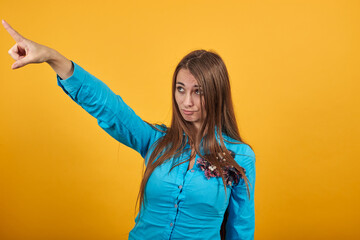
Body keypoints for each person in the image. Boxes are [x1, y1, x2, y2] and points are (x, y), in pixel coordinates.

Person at [2, 19, 256, 240]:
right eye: (180, 89)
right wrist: (53, 57)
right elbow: (110, 108)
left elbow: (241, 229)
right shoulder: (156, 141)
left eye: (197, 91)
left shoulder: (240, 157)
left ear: (216, 93)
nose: (186, 101)